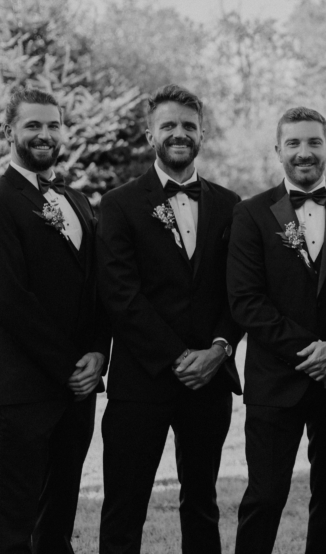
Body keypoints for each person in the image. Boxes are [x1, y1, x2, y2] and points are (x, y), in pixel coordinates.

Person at [97, 84, 242, 554]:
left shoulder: (230, 205)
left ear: (202, 134)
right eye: (169, 126)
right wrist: (179, 356)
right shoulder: (120, 204)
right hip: (141, 381)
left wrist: (219, 348)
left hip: (210, 381)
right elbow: (121, 293)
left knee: (201, 502)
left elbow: (238, 290)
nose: (179, 134)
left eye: (188, 126)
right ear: (149, 135)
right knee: (125, 504)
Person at [228, 107, 326, 554]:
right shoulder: (251, 214)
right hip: (275, 381)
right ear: (278, 151)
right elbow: (246, 301)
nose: (304, 152)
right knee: (265, 497)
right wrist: (312, 352)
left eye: (314, 142)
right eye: (293, 143)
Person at [0, 88, 108, 554]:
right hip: (21, 386)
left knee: (57, 523)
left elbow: (96, 289)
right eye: (33, 125)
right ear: (10, 132)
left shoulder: (82, 202)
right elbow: (10, 300)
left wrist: (98, 353)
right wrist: (71, 364)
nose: (44, 135)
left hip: (78, 388)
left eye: (53, 125)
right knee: (14, 525)